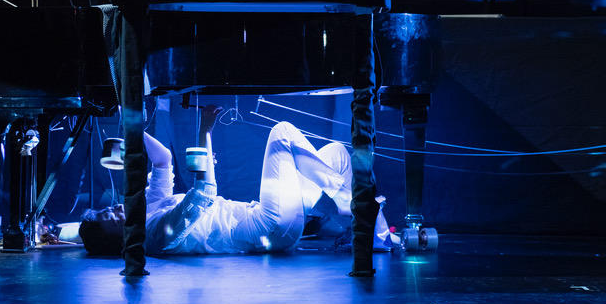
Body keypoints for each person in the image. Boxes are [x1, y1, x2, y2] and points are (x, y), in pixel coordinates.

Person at [78, 106, 393, 257]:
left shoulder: (150, 206)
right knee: (282, 133)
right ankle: (353, 207)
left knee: (336, 155)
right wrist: (204, 132)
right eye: (112, 219)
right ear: (120, 240)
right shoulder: (155, 235)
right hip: (268, 229)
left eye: (110, 209)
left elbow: (163, 161)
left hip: (271, 219)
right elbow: (204, 194)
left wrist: (133, 129)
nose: (116, 209)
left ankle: (376, 234)